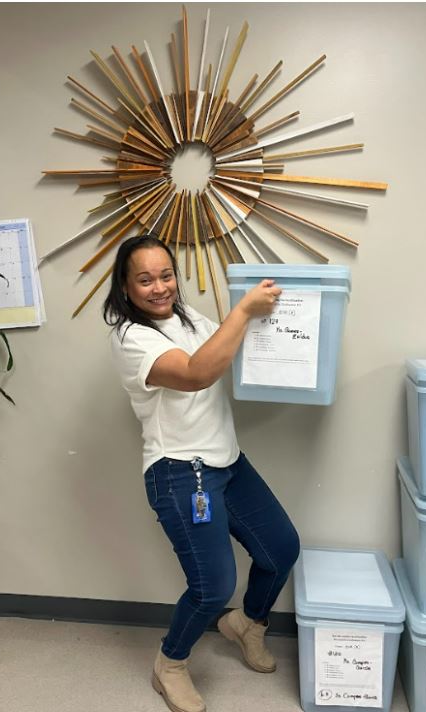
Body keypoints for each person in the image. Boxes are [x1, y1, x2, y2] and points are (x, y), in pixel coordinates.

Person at [104, 234, 300, 712]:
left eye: (166, 275)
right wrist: (244, 311)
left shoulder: (189, 318)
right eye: (145, 279)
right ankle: (169, 663)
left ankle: (248, 624)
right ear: (126, 287)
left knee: (280, 550)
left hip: (228, 462)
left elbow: (227, 352)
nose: (159, 287)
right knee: (213, 587)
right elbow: (196, 372)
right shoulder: (131, 338)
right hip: (179, 473)